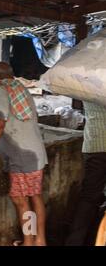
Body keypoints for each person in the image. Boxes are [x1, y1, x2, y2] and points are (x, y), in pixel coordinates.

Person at [0, 62, 48, 246]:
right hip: (36, 154)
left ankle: (29, 242)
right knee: (35, 196)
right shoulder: (21, 87)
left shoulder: (2, 89)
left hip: (21, 156)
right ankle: (40, 241)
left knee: (20, 199)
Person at [66, 101, 106, 246]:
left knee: (89, 197)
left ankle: (76, 241)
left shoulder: (88, 85)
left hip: (94, 145)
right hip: (96, 145)